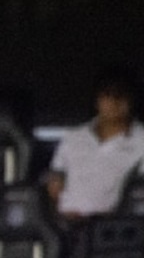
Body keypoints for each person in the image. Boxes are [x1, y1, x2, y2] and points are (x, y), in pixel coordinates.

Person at [46, 68, 144, 222]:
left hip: (116, 230)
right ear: (97, 100)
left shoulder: (141, 140)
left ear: (132, 100)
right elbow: (55, 180)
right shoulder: (73, 137)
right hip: (67, 226)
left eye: (121, 96)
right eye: (108, 95)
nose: (114, 102)